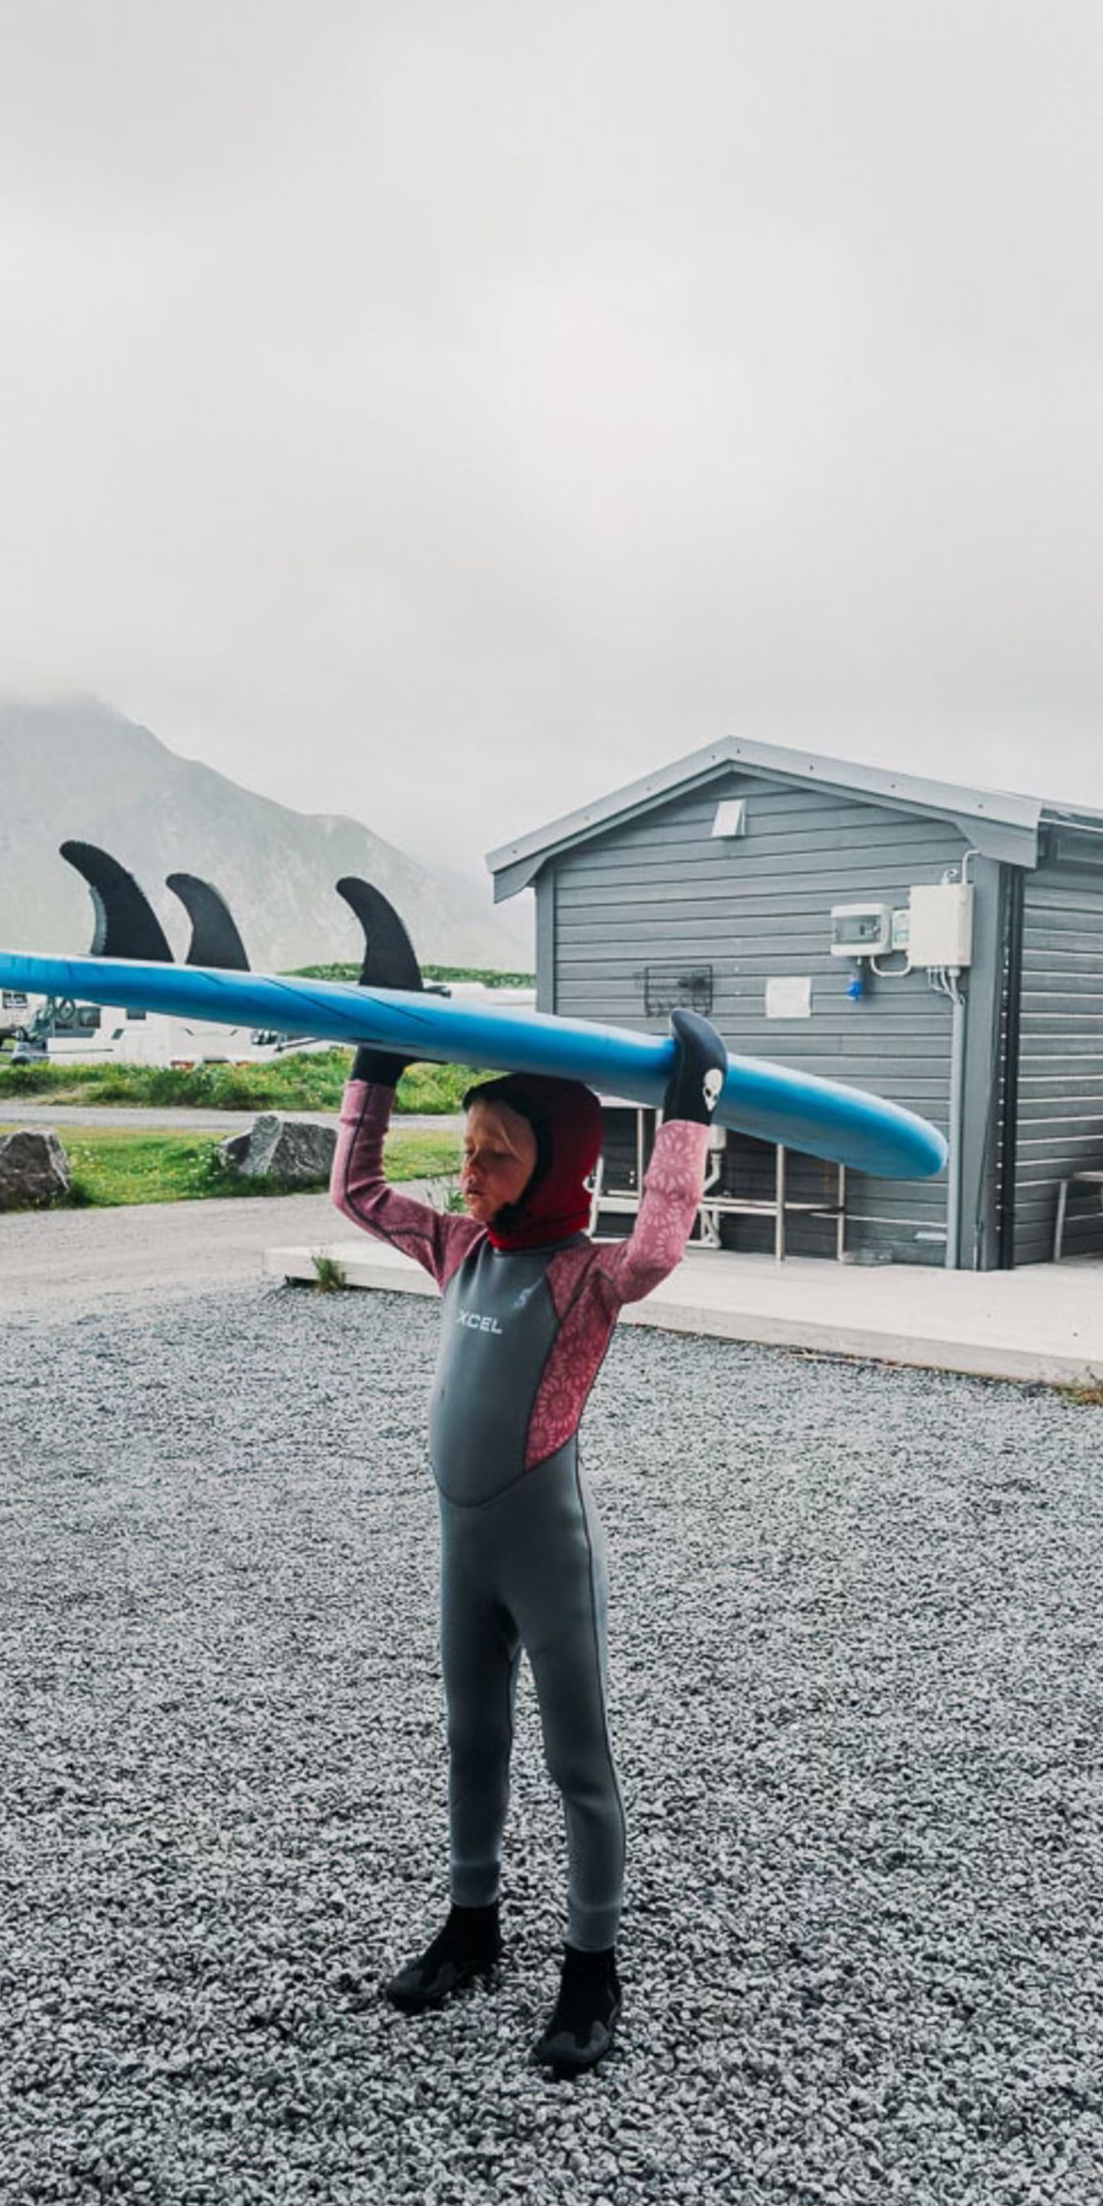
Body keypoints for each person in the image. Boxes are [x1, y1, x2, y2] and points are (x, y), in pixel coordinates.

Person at [328, 881, 726, 2078]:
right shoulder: (456, 1246)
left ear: (555, 1170)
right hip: (462, 1549)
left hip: (545, 1552)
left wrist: (688, 1108)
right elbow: (352, 1190)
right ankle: (471, 1925)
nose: (472, 1174)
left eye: (497, 1157)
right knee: (469, 1735)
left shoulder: (582, 1276)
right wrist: (377, 1074)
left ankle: (591, 1970)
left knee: (575, 1759)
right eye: (467, 1152)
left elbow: (658, 1243)